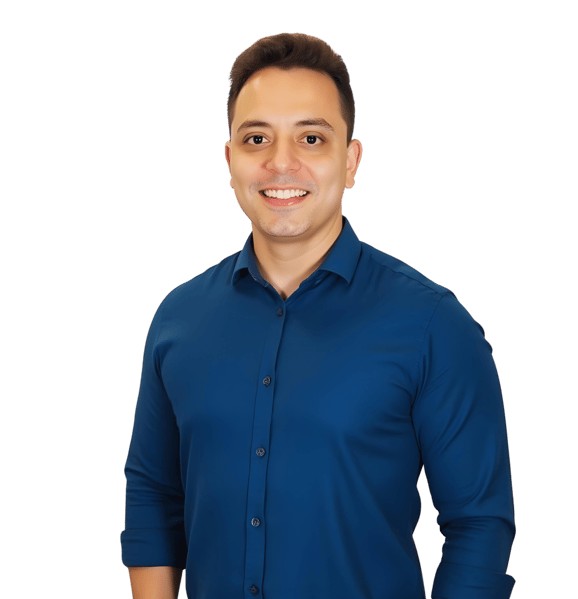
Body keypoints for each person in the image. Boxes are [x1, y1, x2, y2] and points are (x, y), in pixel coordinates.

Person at [120, 32, 516, 599]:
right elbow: (154, 496)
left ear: (350, 160)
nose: (281, 163)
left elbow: (478, 524)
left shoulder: (434, 325)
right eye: (257, 138)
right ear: (230, 161)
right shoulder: (177, 320)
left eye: (311, 138)